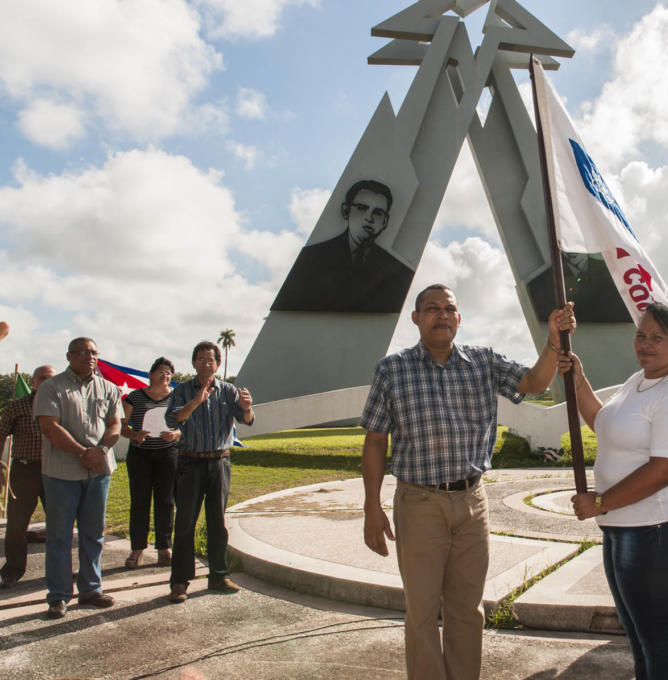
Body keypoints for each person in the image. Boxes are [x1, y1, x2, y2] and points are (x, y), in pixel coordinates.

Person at [361, 283, 576, 680]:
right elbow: (375, 440)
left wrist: (551, 343)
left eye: (449, 308)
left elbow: (534, 383)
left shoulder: (483, 362)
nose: (441, 315)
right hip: (419, 502)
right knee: (422, 612)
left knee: (467, 610)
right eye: (432, 309)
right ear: (416, 318)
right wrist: (371, 507)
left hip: (473, 502)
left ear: (459, 318)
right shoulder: (392, 370)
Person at [562, 302, 668, 680]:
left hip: (661, 529)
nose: (646, 344)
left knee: (657, 638)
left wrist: (600, 502)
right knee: (639, 635)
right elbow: (602, 421)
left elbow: (664, 470)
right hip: (623, 526)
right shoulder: (638, 382)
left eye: (657, 337)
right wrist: (579, 380)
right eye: (641, 335)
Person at [34, 338, 122, 619]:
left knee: (93, 534)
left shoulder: (108, 388)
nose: (90, 356)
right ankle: (59, 596)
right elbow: (50, 427)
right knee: (59, 535)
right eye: (84, 352)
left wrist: (102, 450)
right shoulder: (52, 387)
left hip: (98, 474)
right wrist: (84, 452)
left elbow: (115, 423)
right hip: (62, 473)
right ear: (69, 355)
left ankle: (91, 590)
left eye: (95, 352)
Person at [165, 341, 254, 603]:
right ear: (193, 363)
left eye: (211, 359)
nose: (206, 363)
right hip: (190, 463)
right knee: (184, 524)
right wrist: (196, 401)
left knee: (217, 522)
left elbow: (247, 420)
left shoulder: (228, 391)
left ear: (218, 363)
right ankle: (180, 582)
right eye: (201, 359)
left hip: (219, 463)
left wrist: (247, 406)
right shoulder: (182, 390)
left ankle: (218, 574)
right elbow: (173, 419)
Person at [272, 179, 416, 313]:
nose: (369, 218)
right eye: (361, 208)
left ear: (385, 222)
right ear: (346, 211)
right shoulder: (313, 258)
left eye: (377, 213)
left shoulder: (397, 271)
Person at [121, 357, 181, 569]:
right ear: (151, 374)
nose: (165, 376)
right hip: (140, 456)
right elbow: (121, 426)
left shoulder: (177, 397)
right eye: (161, 372)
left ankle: (164, 548)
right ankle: (137, 549)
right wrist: (134, 434)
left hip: (167, 455)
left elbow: (185, 425)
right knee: (140, 502)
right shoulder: (134, 397)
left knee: (166, 501)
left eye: (168, 373)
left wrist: (174, 434)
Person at [0, 364, 56, 588]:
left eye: (51, 379)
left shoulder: (62, 406)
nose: (46, 382)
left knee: (59, 524)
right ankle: (12, 570)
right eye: (42, 378)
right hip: (25, 470)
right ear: (33, 382)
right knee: (16, 523)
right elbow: (1, 434)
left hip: (56, 470)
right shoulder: (17, 406)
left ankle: (59, 570)